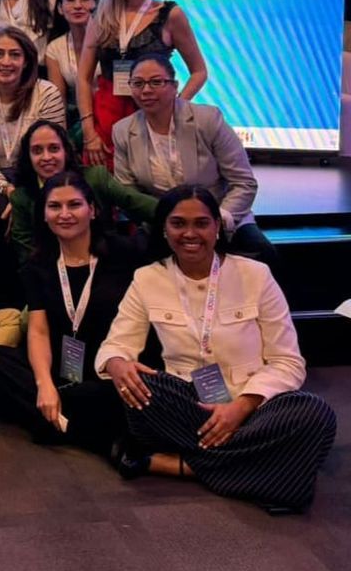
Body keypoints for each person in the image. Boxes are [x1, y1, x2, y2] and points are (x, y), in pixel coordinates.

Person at [96, 185, 337, 512]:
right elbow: (115, 345)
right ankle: (274, 474)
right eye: (178, 223)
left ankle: (178, 465)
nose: (190, 233)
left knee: (315, 414)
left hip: (253, 408)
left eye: (201, 223)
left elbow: (288, 362)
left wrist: (241, 407)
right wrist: (116, 364)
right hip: (185, 407)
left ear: (217, 227)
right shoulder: (147, 278)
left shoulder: (256, 275)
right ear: (164, 230)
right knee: (140, 389)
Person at [0, 171, 145, 454]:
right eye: (55, 206)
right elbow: (38, 330)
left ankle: (47, 419)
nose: (65, 214)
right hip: (61, 369)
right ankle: (78, 427)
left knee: (115, 392)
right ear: (44, 215)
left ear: (92, 210)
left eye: (74, 205)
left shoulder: (124, 254)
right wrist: (44, 383)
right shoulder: (39, 265)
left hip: (105, 369)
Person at [113, 53, 278, 268]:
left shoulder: (208, 119)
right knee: (130, 262)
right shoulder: (123, 130)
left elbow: (244, 182)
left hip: (221, 215)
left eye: (156, 82)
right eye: (138, 83)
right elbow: (127, 193)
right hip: (164, 223)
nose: (146, 90)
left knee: (264, 257)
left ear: (174, 86)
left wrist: (218, 221)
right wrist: (166, 223)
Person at [0, 26, 67, 346]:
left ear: (27, 60)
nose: (6, 62)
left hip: (41, 175)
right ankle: (3, 316)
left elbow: (54, 149)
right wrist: (9, 190)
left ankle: (40, 314)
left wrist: (23, 192)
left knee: (31, 219)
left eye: (15, 54)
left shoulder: (47, 92)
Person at [77, 0, 207, 168]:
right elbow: (83, 77)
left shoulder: (171, 15)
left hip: (155, 115)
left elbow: (199, 72)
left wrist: (174, 107)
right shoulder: (101, 16)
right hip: (107, 116)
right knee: (104, 189)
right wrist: (88, 132)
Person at [9, 120, 158, 263]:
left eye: (54, 148)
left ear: (66, 151)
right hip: (52, 273)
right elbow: (27, 255)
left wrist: (175, 214)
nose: (46, 157)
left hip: (105, 262)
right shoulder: (21, 197)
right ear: (28, 157)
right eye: (37, 151)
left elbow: (143, 205)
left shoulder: (96, 178)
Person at [45, 0, 99, 148]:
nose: (77, 6)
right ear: (60, 8)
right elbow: (58, 101)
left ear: (97, 4)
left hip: (111, 116)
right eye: (70, 0)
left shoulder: (111, 41)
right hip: (77, 122)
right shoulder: (55, 48)